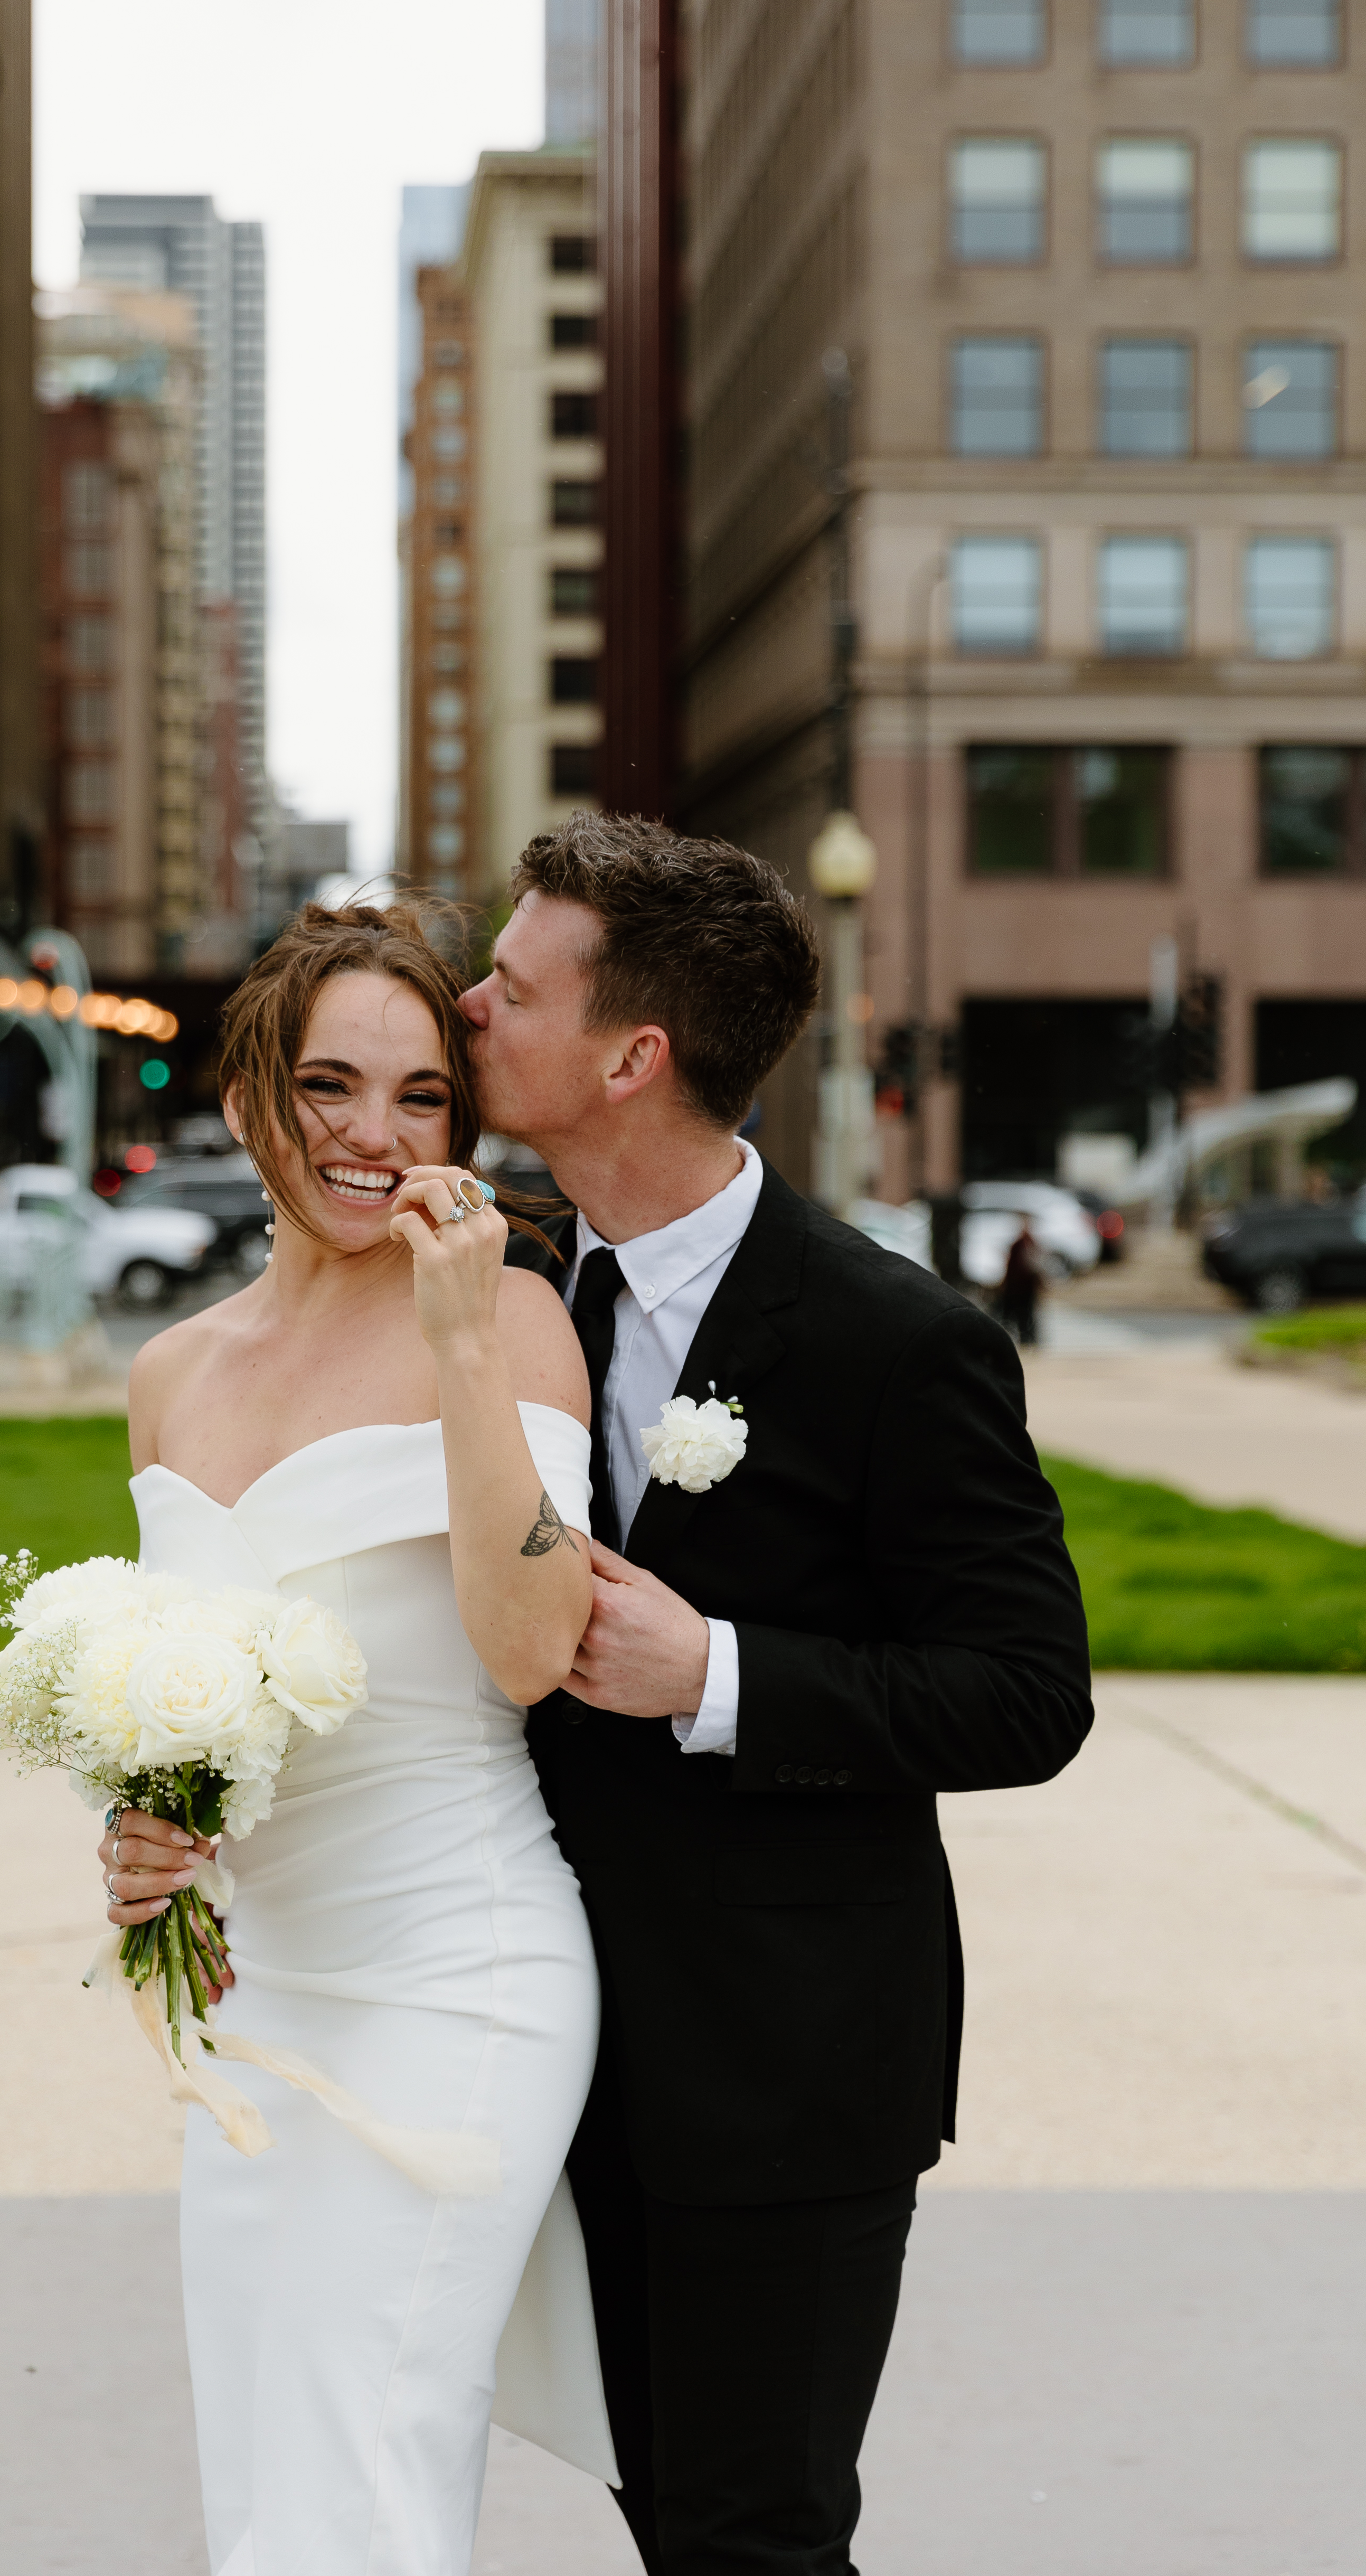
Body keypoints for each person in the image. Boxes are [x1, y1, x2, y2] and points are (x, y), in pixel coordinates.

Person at [109, 815, 1093, 2575]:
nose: (470, 1005)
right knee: (617, 2504)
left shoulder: (888, 1338)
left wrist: (708, 1670)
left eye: (510, 981)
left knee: (742, 2533)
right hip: (521, 2024)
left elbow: (1023, 1691)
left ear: (628, 1053)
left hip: (769, 2054)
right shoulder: (511, 1262)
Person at [104, 901, 613, 2576]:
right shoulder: (174, 1374)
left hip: (456, 1980)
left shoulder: (508, 1325)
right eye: (329, 1084)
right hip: (259, 2004)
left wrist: (463, 1344)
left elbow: (536, 1652)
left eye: (418, 1099)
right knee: (273, 2477)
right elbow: (197, 1675)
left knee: (362, 2454)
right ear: (250, 1095)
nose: (372, 1137)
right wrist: (152, 1824)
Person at [999, 1218, 1044, 1346]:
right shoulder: (1020, 1245)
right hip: (1017, 1288)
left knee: (1026, 1317)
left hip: (1025, 1288)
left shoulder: (1030, 1245)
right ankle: (1025, 1339)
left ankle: (1028, 1340)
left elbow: (1036, 1267)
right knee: (1018, 1317)